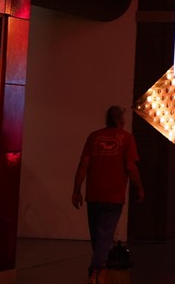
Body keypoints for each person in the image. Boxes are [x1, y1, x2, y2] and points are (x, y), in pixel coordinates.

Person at [72, 106, 143, 283]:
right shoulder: (127, 138)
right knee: (105, 233)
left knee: (97, 234)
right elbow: (131, 167)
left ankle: (98, 267)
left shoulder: (94, 137)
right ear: (120, 120)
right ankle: (97, 269)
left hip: (93, 193)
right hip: (114, 195)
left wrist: (76, 189)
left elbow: (84, 165)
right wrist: (139, 188)